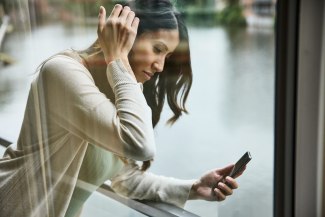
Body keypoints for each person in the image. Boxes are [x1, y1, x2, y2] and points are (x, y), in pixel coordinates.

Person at [0, 1, 245, 216]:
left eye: (167, 56)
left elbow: (124, 179)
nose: (160, 66)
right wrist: (117, 58)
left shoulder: (122, 90)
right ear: (126, 36)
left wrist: (194, 188)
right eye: (157, 49)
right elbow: (140, 145)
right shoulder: (61, 72)